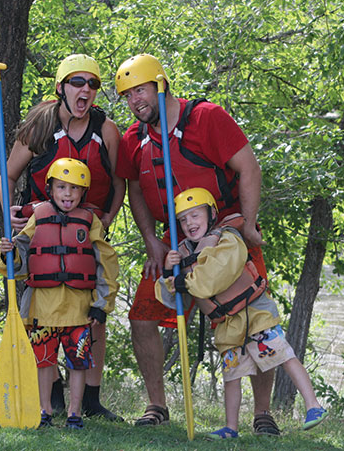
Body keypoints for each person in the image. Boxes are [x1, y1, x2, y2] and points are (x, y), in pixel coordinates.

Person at [114, 53, 279, 433]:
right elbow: (135, 187)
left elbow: (248, 167)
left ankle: (263, 414)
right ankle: (157, 405)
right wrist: (151, 240)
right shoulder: (133, 139)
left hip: (226, 232)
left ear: (160, 85)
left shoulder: (206, 118)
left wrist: (249, 225)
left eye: (140, 90)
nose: (134, 100)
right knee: (142, 316)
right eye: (127, 95)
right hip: (176, 240)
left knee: (253, 316)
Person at [0, 54, 125, 421]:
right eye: (77, 82)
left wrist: (107, 221)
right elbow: (8, 177)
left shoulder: (107, 130)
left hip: (87, 229)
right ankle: (50, 396)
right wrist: (13, 222)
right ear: (61, 88)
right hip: (41, 227)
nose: (85, 89)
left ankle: (90, 400)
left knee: (90, 315)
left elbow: (118, 183)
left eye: (92, 84)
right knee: (42, 313)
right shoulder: (40, 123)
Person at [155, 188, 328, 439]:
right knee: (232, 373)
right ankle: (231, 427)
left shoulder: (228, 238)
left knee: (281, 353)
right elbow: (171, 297)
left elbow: (216, 274)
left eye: (195, 215)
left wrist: (185, 281)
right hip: (226, 322)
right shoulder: (180, 253)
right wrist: (169, 272)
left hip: (254, 311)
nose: (189, 223)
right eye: (183, 219)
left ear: (211, 213)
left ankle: (314, 406)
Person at [0, 158, 119, 429]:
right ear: (50, 188)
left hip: (79, 311)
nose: (67, 194)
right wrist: (9, 255)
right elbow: (21, 258)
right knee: (42, 363)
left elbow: (106, 264)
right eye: (61, 187)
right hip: (42, 310)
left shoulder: (90, 221)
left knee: (78, 364)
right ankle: (44, 411)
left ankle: (75, 413)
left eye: (74, 189)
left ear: (83, 193)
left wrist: (102, 304)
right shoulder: (37, 218)